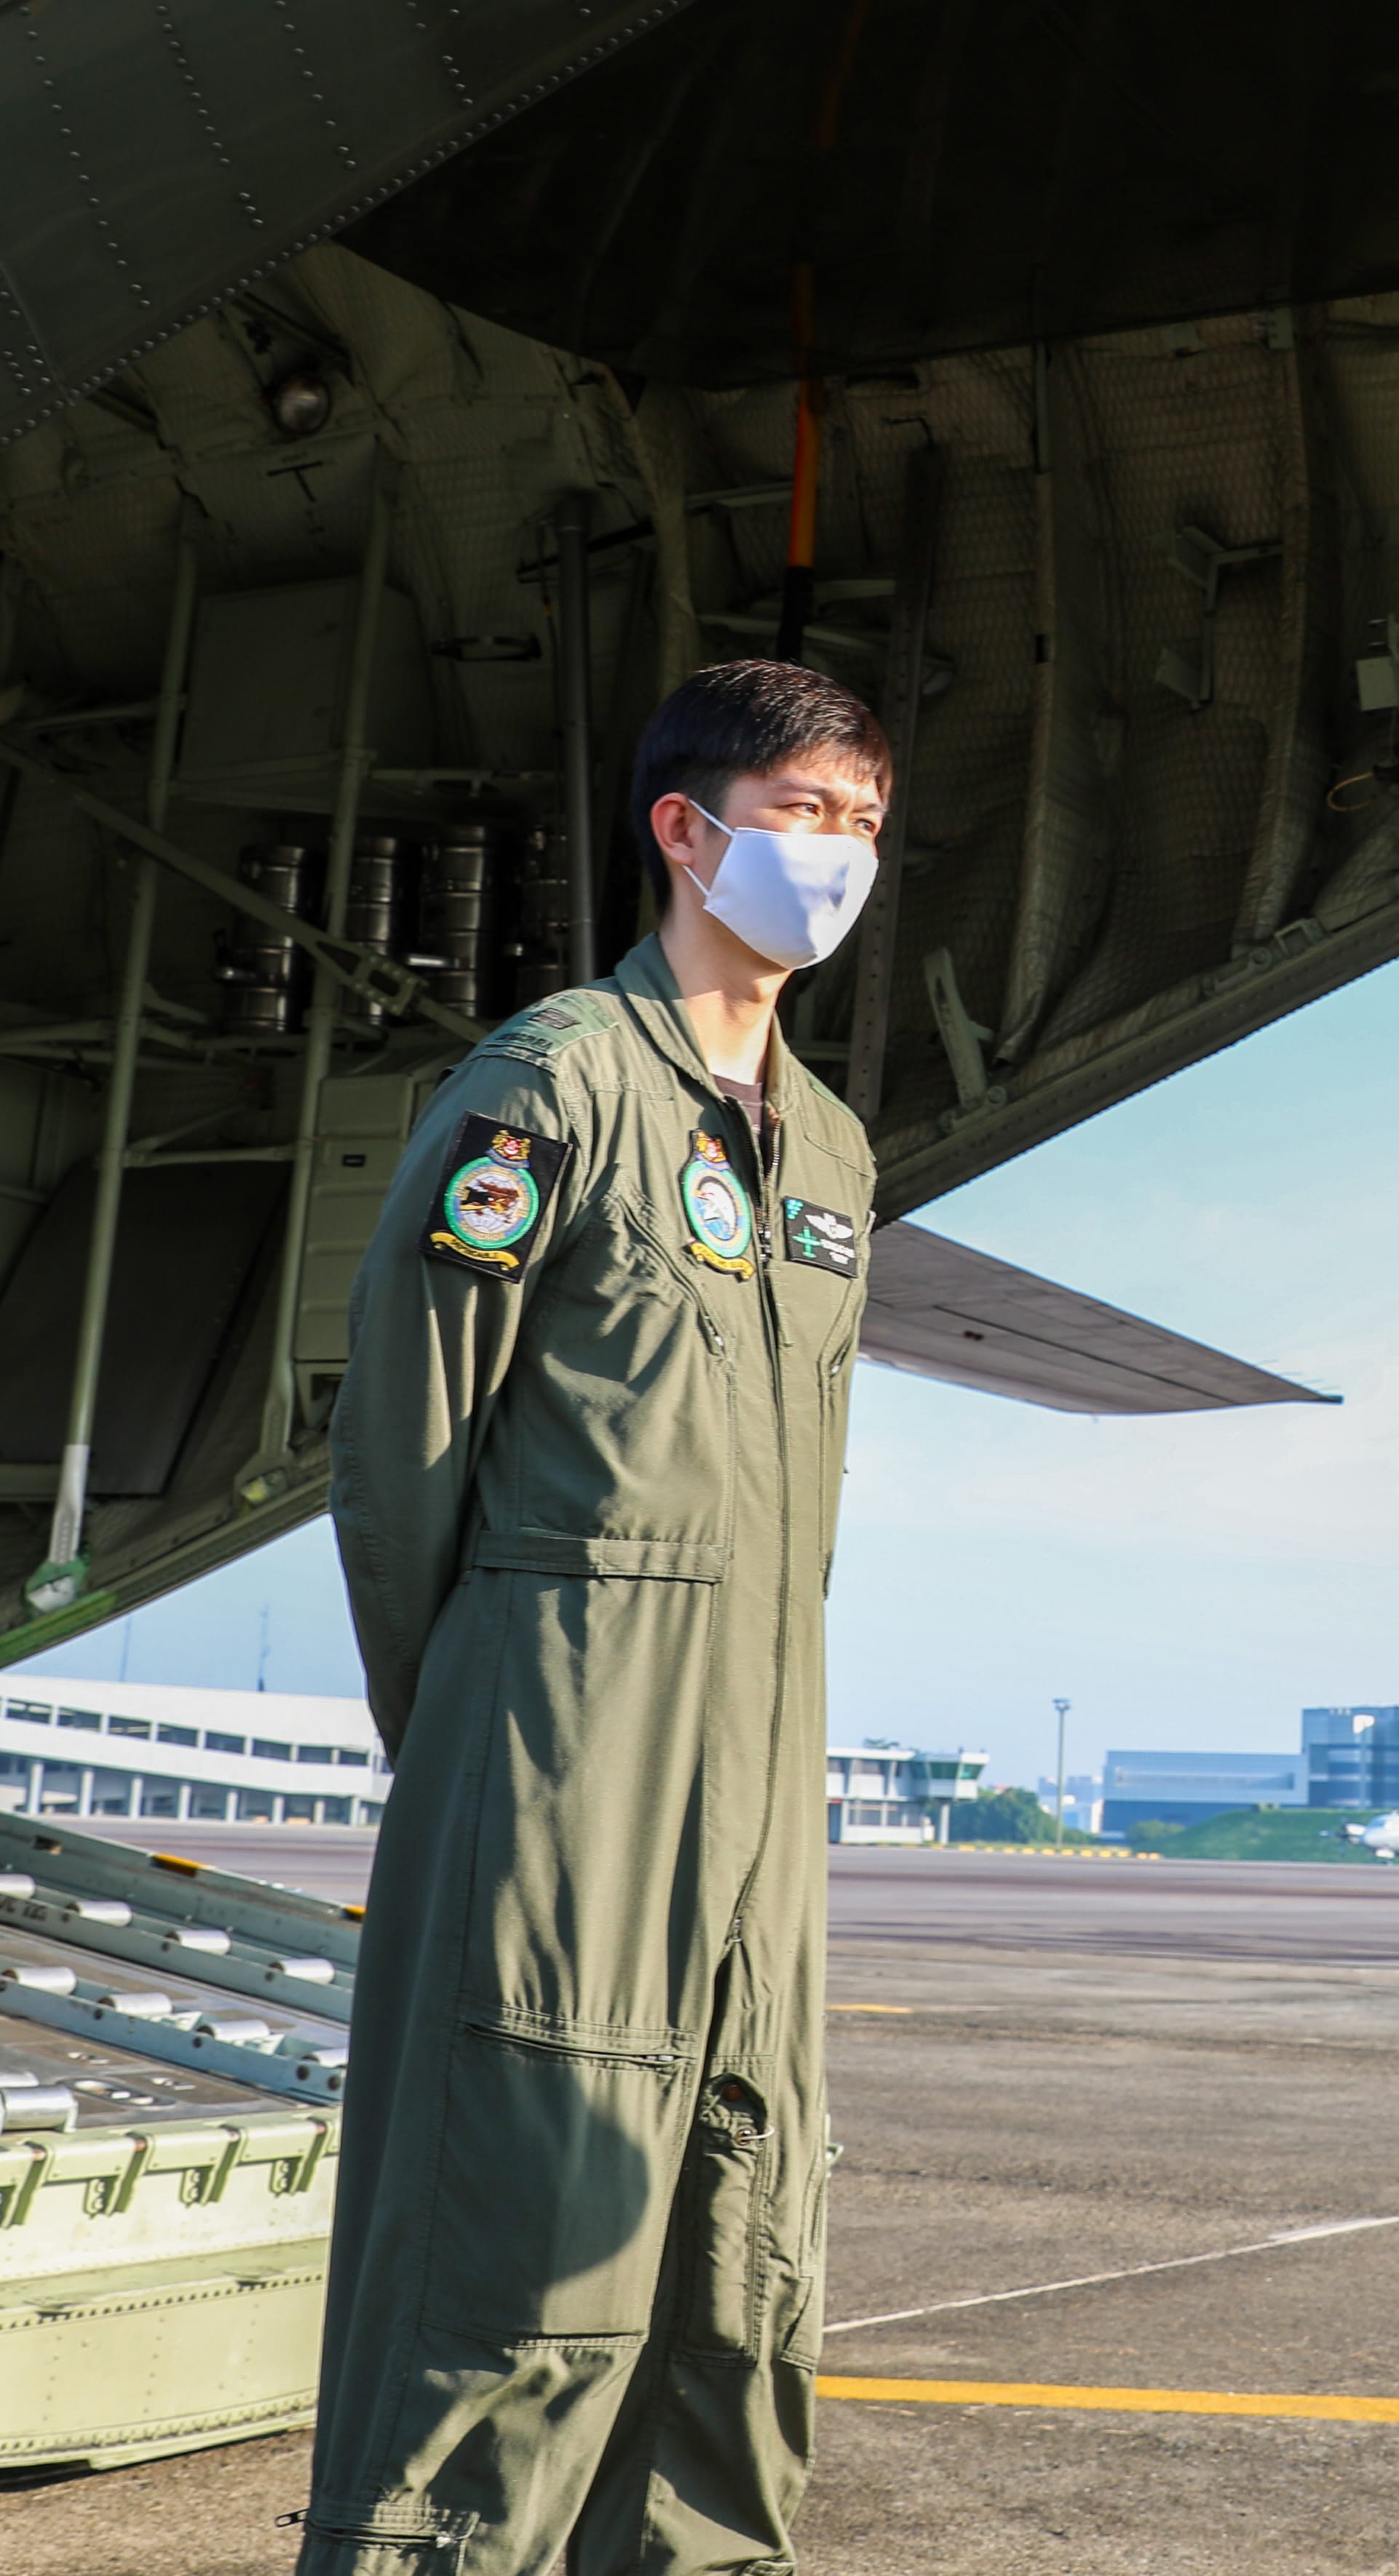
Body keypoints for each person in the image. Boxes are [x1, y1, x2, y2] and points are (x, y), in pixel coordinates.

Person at [305, 661, 889, 2576]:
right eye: (807, 813)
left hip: (761, 1784)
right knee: (504, 2282)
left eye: (865, 825)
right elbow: (407, 1456)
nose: (840, 855)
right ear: (686, 828)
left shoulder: (829, 1152)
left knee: (738, 2265)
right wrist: (495, 1732)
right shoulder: (552, 1082)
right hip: (565, 1755)